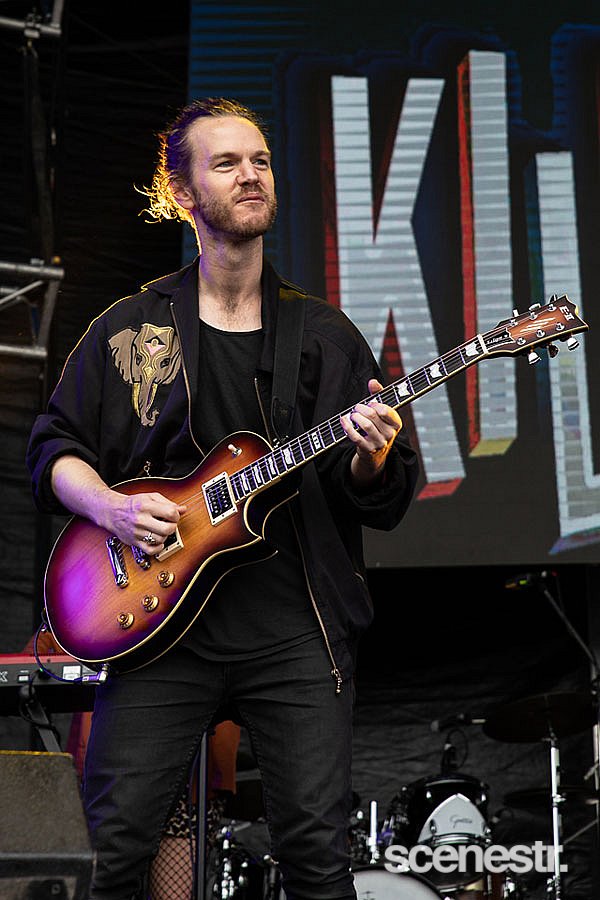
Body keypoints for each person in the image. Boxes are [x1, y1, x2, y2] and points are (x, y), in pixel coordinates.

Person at [26, 97, 419, 900]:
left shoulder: (324, 336)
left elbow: (378, 498)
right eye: (228, 162)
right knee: (111, 853)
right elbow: (53, 450)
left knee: (318, 861)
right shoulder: (130, 330)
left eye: (261, 160)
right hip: (156, 631)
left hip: (295, 631)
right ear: (181, 192)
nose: (251, 175)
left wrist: (373, 457)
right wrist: (110, 509)